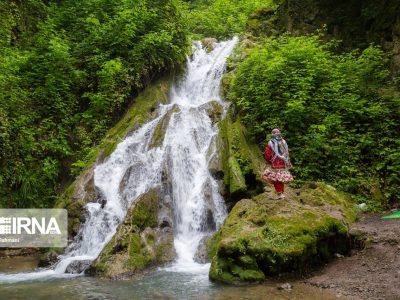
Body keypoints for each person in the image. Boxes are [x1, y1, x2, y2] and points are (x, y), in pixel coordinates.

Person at [262, 128, 293, 199]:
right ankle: (281, 192)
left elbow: (267, 155)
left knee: (276, 179)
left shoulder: (271, 143)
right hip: (283, 163)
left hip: (274, 164)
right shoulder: (283, 142)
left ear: (272, 134)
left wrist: (268, 161)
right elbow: (287, 153)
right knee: (281, 178)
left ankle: (280, 194)